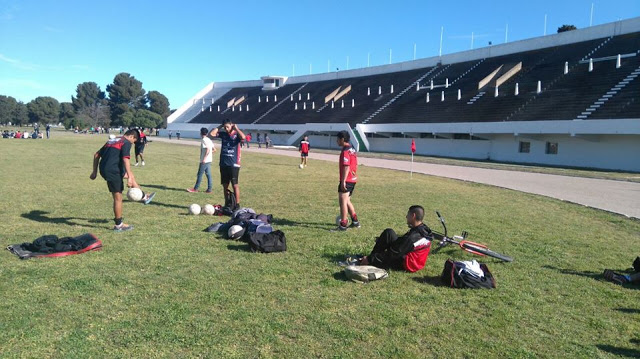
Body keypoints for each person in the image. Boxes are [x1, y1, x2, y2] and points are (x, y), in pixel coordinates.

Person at [90, 129, 155, 232]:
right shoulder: (126, 142)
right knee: (118, 198)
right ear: (132, 137)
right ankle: (119, 225)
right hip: (113, 171)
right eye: (134, 141)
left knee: (131, 176)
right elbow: (126, 159)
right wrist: (128, 176)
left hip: (106, 168)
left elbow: (96, 155)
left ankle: (144, 196)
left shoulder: (112, 140)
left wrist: (94, 172)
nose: (133, 143)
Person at [345, 206, 433, 268]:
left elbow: (394, 253)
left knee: (385, 257)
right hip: (411, 257)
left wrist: (371, 259)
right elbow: (403, 244)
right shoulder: (422, 229)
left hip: (408, 263)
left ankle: (368, 260)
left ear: (413, 216)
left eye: (408, 214)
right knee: (389, 233)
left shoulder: (413, 237)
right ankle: (370, 258)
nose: (406, 217)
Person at [208, 119, 246, 210]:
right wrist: (220, 126)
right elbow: (210, 135)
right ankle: (227, 203)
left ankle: (237, 205)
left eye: (227, 127)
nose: (226, 128)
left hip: (234, 164)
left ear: (231, 125)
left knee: (235, 185)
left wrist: (236, 128)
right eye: (224, 127)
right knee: (225, 185)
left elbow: (243, 137)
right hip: (223, 163)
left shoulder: (236, 135)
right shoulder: (223, 134)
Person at [334, 130, 360, 231]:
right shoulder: (352, 149)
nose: (337, 141)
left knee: (343, 201)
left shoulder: (345, 151)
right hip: (353, 179)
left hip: (347, 179)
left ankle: (343, 224)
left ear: (342, 139)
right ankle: (355, 221)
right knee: (347, 200)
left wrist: (343, 181)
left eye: (338, 139)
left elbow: (346, 166)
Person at [187, 127, 216, 193]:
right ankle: (209, 189)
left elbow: (208, 149)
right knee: (208, 174)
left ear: (201, 133)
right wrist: (209, 156)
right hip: (209, 160)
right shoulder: (209, 139)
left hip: (205, 161)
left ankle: (195, 189)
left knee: (199, 174)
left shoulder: (204, 140)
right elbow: (214, 149)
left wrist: (205, 158)